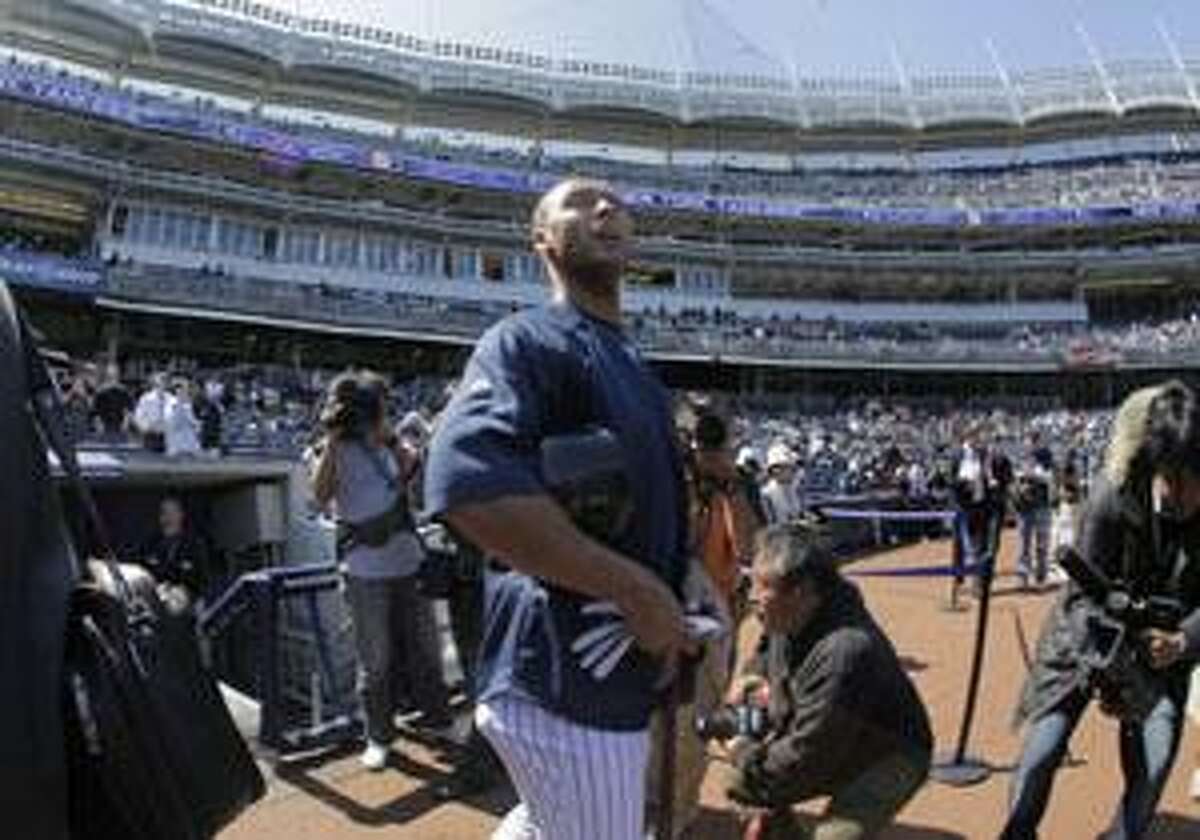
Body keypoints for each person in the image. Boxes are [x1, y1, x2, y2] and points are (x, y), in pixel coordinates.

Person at [423, 178, 693, 840]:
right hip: (564, 680)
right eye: (579, 202)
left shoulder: (629, 358)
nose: (607, 209)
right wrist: (637, 591)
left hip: (599, 673)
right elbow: (466, 483)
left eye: (618, 204)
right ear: (542, 240)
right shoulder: (528, 339)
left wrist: (683, 583)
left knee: (544, 826)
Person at [1002, 381, 1200, 839]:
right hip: (1084, 637)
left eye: (1195, 483)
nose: (1181, 497)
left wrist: (1183, 640)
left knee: (1157, 753)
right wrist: (1109, 667)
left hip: (1161, 649)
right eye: (1173, 479)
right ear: (1156, 467)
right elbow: (1079, 599)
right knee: (1043, 748)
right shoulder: (1109, 499)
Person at [723, 523, 932, 839]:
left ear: (802, 592)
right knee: (740, 782)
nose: (752, 597)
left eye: (762, 587)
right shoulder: (790, 613)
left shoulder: (845, 652)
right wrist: (753, 677)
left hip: (890, 754)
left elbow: (804, 759)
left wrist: (741, 749)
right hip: (830, 739)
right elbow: (766, 651)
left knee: (834, 837)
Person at [310, 371, 451, 772]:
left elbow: (415, 478)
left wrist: (388, 438)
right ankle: (379, 736)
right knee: (375, 659)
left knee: (425, 647)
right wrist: (335, 442)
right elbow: (319, 497)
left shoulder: (391, 442)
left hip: (407, 560)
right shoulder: (331, 448)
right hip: (362, 569)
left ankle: (438, 719)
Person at [141, 495, 210, 601]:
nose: (168, 518)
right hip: (158, 601)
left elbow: (204, 581)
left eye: (173, 512)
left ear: (181, 515)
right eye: (164, 513)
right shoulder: (151, 545)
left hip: (187, 602)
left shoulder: (194, 545)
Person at [1013, 432, 1055, 590]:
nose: (1029, 446)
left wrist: (1033, 475)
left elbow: (1049, 477)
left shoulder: (1046, 456)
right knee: (1023, 543)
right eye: (1027, 442)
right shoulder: (1021, 457)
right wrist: (1021, 480)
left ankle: (1041, 577)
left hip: (1042, 505)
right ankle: (1022, 577)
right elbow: (1015, 477)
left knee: (1042, 544)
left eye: (1032, 442)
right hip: (1024, 506)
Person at [760, 442, 803, 526]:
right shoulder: (767, 495)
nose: (793, 472)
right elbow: (769, 524)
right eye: (789, 468)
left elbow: (797, 513)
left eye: (793, 469)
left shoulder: (794, 489)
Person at [93, 363, 133, 444]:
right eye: (110, 376)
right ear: (107, 376)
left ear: (118, 376)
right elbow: (95, 412)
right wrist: (99, 425)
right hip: (105, 427)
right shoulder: (100, 392)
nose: (112, 378)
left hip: (120, 426)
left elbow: (129, 409)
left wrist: (126, 422)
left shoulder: (124, 391)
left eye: (114, 375)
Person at [134, 372, 171, 453]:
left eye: (164, 383)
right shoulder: (146, 398)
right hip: (151, 436)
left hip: (168, 437)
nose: (162, 386)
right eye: (159, 383)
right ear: (154, 384)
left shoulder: (172, 399)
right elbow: (139, 416)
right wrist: (147, 428)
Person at [164, 379, 202, 457]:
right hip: (176, 435)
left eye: (185, 388)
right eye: (180, 389)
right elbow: (170, 418)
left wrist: (196, 423)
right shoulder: (171, 402)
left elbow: (190, 417)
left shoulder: (188, 402)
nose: (183, 391)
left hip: (188, 435)